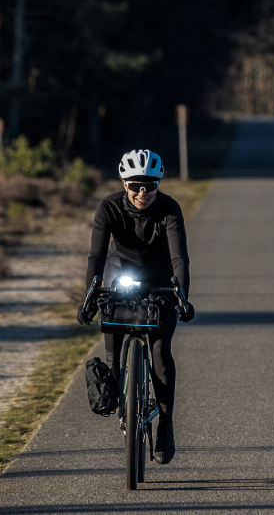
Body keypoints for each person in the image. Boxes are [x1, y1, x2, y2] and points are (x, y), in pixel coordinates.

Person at [77, 149, 195, 464]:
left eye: (150, 186)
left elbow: (179, 258)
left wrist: (181, 293)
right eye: (135, 186)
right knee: (113, 355)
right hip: (120, 274)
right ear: (124, 183)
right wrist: (90, 294)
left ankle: (165, 424)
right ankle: (118, 392)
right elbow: (96, 257)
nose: (143, 193)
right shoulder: (109, 207)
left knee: (159, 351)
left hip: (159, 280)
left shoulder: (169, 208)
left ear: (158, 184)